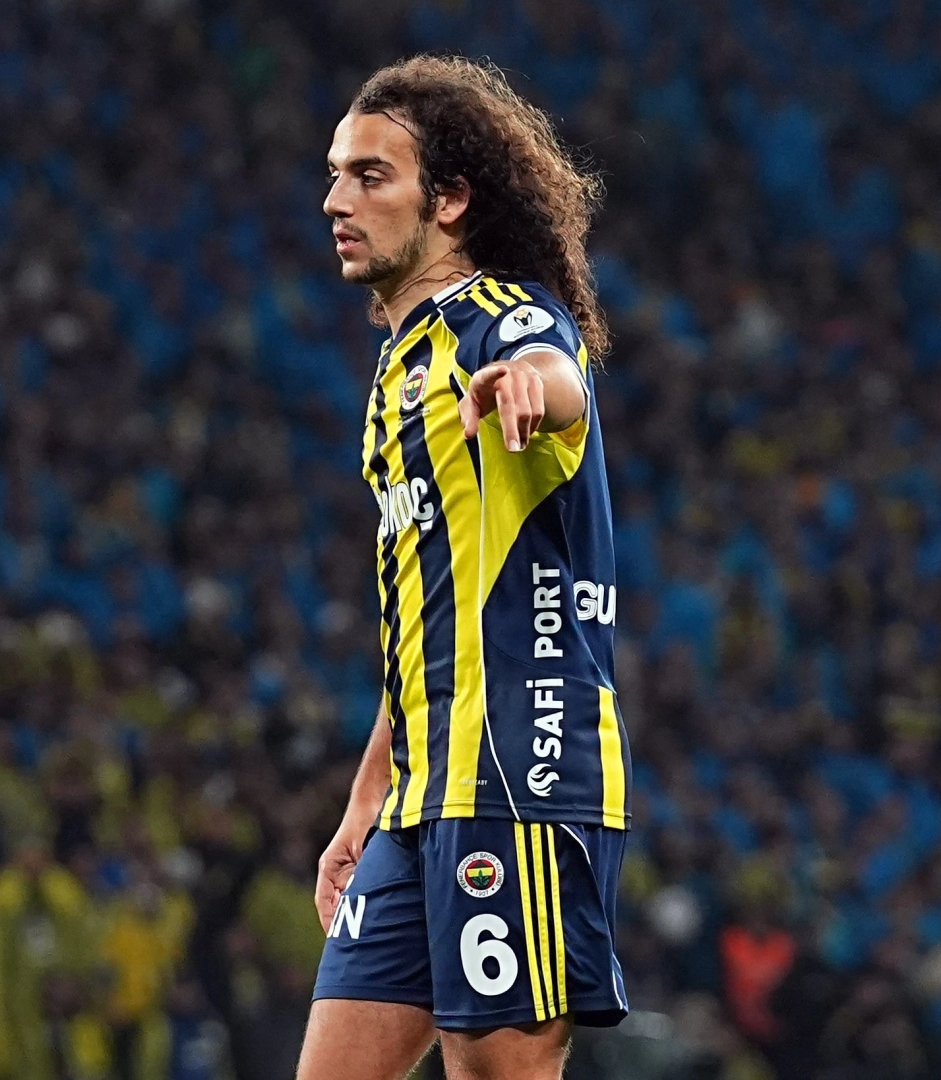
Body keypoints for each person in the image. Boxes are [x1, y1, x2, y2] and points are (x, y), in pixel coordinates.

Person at [302, 56, 631, 1080]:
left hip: (516, 779)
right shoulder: (397, 370)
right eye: (335, 175)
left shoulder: (503, 316)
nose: (336, 201)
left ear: (447, 199)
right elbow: (426, 618)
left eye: (370, 177)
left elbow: (555, 364)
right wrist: (366, 798)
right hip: (416, 800)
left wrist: (531, 386)